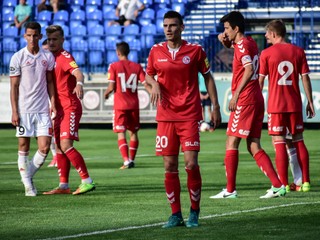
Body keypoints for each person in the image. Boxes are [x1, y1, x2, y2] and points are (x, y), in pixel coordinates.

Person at [145, 11, 221, 228]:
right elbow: (148, 75)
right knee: (169, 166)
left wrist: (215, 106)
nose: (168, 29)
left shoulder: (195, 50)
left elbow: (208, 76)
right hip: (166, 117)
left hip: (189, 115)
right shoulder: (155, 51)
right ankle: (175, 214)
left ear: (182, 27)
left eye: (173, 25)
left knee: (191, 163)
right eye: (165, 25)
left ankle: (194, 212)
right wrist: (155, 84)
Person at [210, 11, 286, 200]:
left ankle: (230, 189)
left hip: (245, 99)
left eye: (227, 28)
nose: (224, 31)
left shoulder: (243, 45)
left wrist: (235, 95)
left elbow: (249, 68)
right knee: (253, 144)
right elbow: (241, 53)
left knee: (231, 141)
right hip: (256, 98)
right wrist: (226, 42)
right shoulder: (250, 42)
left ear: (236, 28)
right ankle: (277, 185)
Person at [258, 19, 315, 192]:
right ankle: (305, 182)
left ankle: (282, 184)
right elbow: (305, 77)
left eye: (267, 33)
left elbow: (260, 81)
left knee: (279, 143)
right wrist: (310, 101)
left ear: (274, 33)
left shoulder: (267, 54)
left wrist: (257, 103)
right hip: (295, 104)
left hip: (276, 105)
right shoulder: (298, 51)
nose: (266, 36)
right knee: (298, 141)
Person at [43, 25, 95, 195]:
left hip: (69, 107)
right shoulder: (49, 58)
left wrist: (79, 83)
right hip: (58, 109)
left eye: (55, 39)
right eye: (49, 39)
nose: (51, 42)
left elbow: (78, 72)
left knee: (65, 144)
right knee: (58, 147)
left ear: (62, 40)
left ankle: (87, 180)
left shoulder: (65, 57)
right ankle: (63, 185)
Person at [9, 21, 56, 197]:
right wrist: (14, 111)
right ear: (24, 36)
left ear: (40, 36)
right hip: (24, 110)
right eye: (29, 35)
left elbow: (50, 82)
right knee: (23, 145)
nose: (32, 38)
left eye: (35, 35)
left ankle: (26, 177)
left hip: (43, 109)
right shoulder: (17, 57)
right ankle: (28, 186)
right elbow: (13, 87)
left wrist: (54, 103)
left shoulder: (47, 57)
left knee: (44, 148)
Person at [104, 41, 146, 169]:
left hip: (120, 105)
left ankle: (126, 161)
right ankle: (132, 159)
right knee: (133, 132)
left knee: (120, 132)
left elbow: (111, 87)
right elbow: (145, 82)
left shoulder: (114, 66)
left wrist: (106, 93)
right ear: (128, 52)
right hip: (134, 104)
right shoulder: (137, 66)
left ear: (118, 52)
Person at [42, 38, 58, 167]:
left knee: (54, 129)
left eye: (47, 50)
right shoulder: (41, 63)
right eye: (44, 50)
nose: (46, 52)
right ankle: (55, 156)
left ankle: (58, 156)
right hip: (43, 99)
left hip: (56, 98)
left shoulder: (57, 62)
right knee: (49, 130)